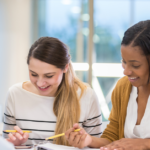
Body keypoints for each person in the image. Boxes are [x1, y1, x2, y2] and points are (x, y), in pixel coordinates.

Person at [65, 20, 150, 150]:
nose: (126, 71)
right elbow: (112, 138)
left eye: (135, 65)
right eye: (124, 62)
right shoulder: (123, 87)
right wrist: (88, 140)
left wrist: (145, 144)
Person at [3, 37, 102, 146]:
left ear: (65, 67)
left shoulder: (86, 96)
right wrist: (14, 144)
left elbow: (98, 144)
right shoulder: (15, 94)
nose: (40, 83)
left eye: (49, 76)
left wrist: (86, 140)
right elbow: (5, 144)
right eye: (34, 74)